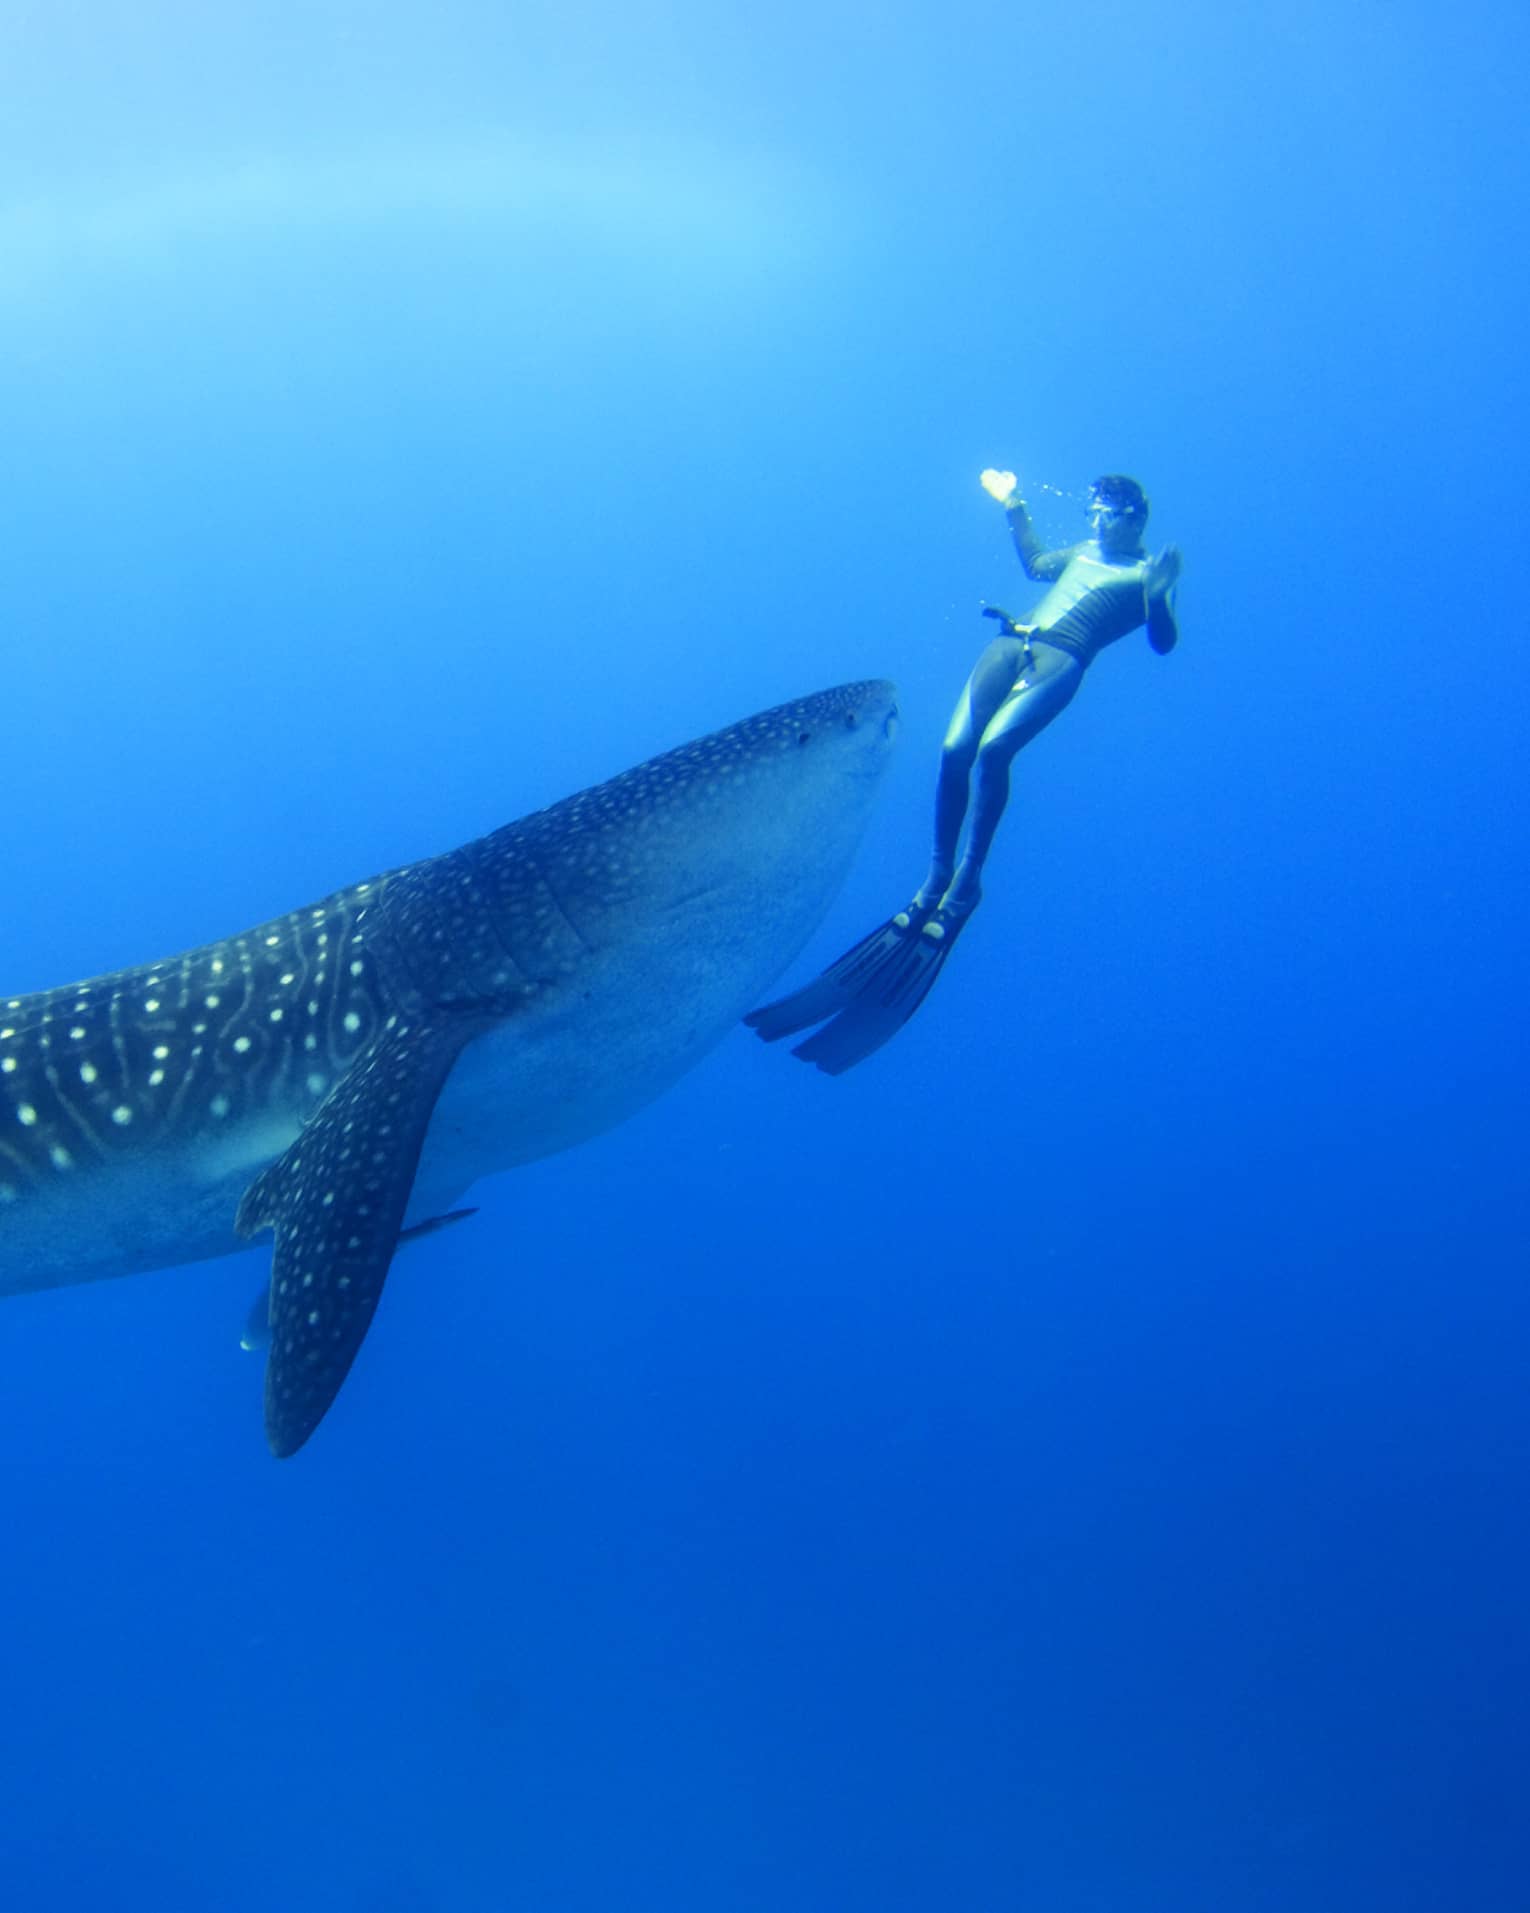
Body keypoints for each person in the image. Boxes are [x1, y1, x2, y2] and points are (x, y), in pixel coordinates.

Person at [745, 468, 1182, 1074]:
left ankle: (967, 883)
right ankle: (936, 878)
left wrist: (1159, 596)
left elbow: (1163, 643)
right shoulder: (1082, 551)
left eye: (1106, 514)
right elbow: (1035, 566)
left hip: (1063, 659)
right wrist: (1014, 504)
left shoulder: (1144, 574)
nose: (1095, 523)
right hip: (1011, 642)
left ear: (1136, 516)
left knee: (996, 752)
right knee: (954, 752)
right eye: (1092, 512)